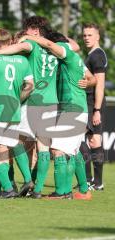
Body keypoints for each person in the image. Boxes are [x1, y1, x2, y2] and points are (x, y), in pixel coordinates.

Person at [20, 31, 96, 200]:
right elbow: (92, 79)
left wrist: (28, 37)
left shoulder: (66, 54)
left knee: (58, 150)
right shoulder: (74, 59)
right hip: (77, 108)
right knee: (74, 151)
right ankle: (83, 190)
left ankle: (62, 192)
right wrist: (88, 82)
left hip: (72, 109)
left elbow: (49, 45)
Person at [0, 28, 34, 198]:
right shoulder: (23, 61)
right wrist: (18, 99)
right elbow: (30, 85)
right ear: (11, 41)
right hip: (14, 110)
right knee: (4, 148)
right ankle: (9, 187)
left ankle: (8, 188)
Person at [82, 23, 107, 190]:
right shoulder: (91, 54)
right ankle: (92, 181)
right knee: (89, 140)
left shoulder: (97, 55)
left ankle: (95, 182)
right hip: (89, 103)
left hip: (93, 104)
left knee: (93, 140)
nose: (86, 38)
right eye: (84, 35)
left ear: (97, 36)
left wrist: (96, 109)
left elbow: (100, 84)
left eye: (90, 35)